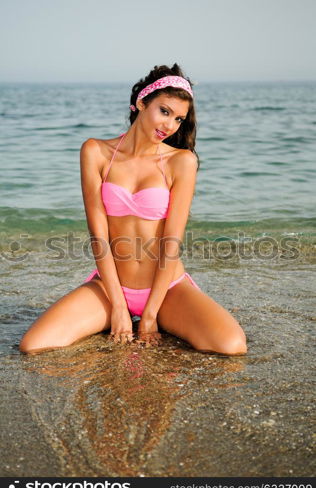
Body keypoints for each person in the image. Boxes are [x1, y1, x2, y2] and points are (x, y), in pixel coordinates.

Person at [19, 63, 247, 355]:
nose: (169, 125)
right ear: (142, 103)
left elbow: (171, 243)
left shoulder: (181, 162)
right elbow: (98, 236)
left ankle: (160, 317)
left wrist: (150, 314)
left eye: (178, 118)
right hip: (111, 287)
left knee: (232, 346)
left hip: (168, 290)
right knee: (34, 345)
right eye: (164, 111)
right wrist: (117, 306)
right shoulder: (96, 152)